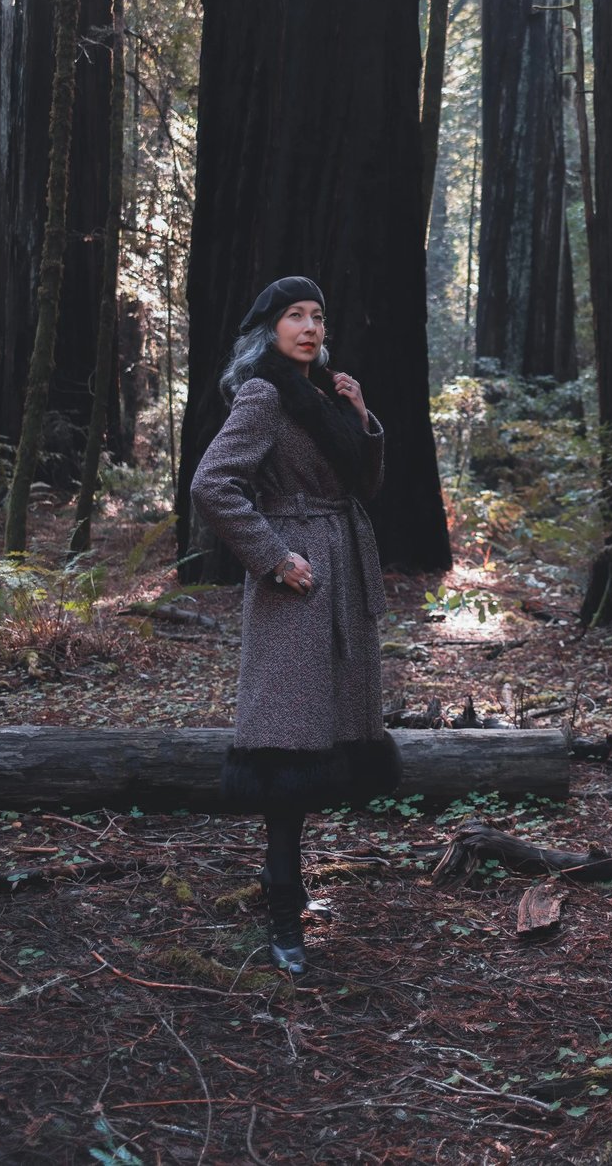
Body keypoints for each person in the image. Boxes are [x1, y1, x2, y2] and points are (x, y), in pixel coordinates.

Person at [190, 275, 398, 976]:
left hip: (344, 575)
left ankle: (296, 889)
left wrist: (361, 418)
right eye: (294, 317)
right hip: (297, 587)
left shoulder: (321, 395)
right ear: (269, 330)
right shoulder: (264, 394)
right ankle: (282, 915)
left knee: (322, 742)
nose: (309, 327)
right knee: (286, 751)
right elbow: (213, 483)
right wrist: (274, 558)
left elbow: (363, 489)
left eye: (317, 315)